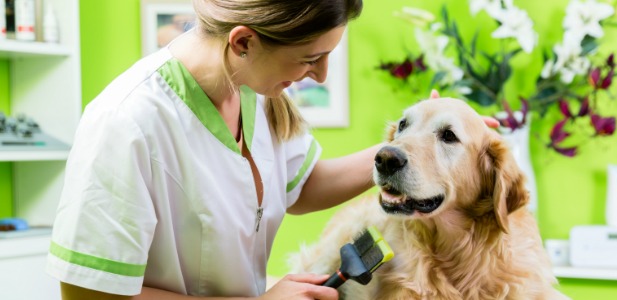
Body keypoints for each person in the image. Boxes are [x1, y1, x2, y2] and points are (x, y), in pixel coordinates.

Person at [46, 0, 499, 299]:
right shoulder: (127, 123)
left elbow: (301, 188)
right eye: (309, 58)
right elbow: (88, 294)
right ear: (243, 41)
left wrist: (409, 154)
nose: (321, 76)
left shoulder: (253, 92)